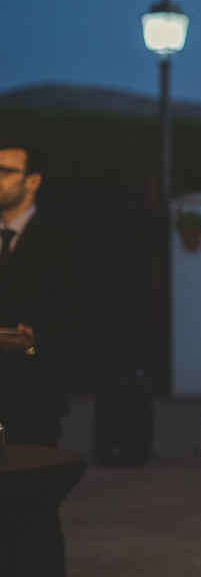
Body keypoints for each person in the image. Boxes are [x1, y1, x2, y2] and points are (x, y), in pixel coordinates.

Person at [0, 140, 77, 577]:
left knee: (34, 509)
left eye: (4, 170)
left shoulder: (59, 241)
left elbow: (85, 322)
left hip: (32, 401)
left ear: (33, 181)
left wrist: (31, 342)